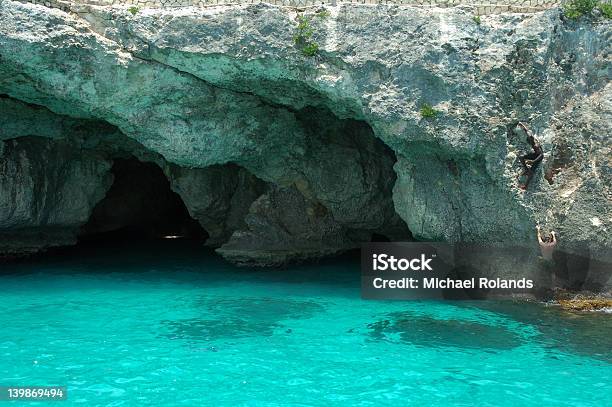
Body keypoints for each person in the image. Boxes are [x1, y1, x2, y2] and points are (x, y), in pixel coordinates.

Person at [517, 122, 543, 190]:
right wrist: (522, 125)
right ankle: (526, 169)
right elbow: (527, 131)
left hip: (539, 157)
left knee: (531, 172)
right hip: (535, 154)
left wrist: (533, 161)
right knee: (521, 157)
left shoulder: (535, 144)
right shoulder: (531, 141)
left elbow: (541, 155)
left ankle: (526, 186)